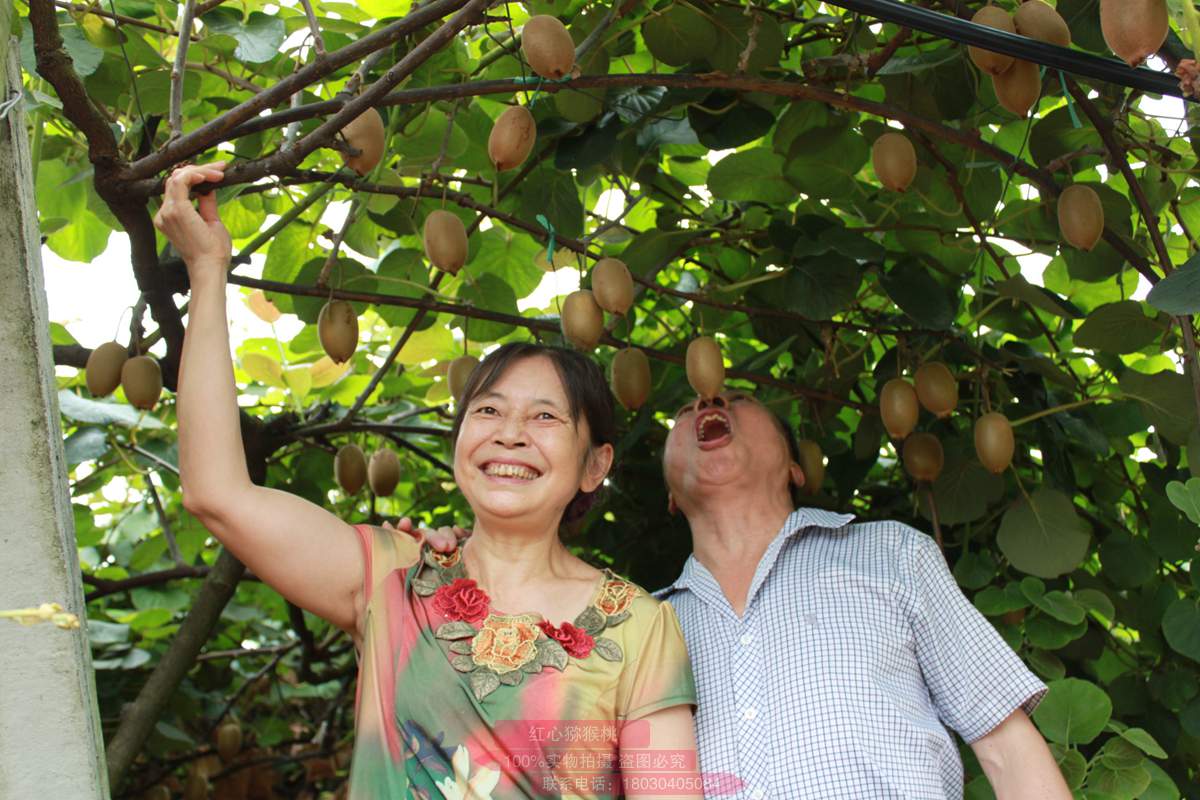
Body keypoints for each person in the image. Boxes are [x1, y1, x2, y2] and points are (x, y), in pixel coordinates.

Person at [153, 161, 701, 799]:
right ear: (461, 440)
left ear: (594, 465)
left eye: (545, 416)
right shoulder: (392, 578)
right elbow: (216, 492)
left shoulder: (640, 625)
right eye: (488, 411)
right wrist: (208, 269)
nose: (510, 433)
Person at [424, 389, 1072, 799]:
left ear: (795, 464)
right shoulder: (633, 628)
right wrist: (444, 580)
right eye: (685, 410)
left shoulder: (891, 555)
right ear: (672, 495)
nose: (710, 400)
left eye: (739, 397)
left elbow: (1007, 747)